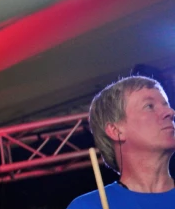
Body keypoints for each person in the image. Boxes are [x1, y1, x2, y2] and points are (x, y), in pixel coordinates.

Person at [67, 75, 175, 208]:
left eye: (166, 105)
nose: (170, 112)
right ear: (115, 130)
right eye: (149, 106)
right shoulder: (88, 206)